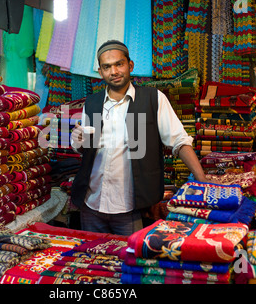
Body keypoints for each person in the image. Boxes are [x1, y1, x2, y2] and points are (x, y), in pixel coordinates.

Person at [70, 40, 209, 236]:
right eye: (107, 67)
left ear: (130, 65)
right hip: (92, 203)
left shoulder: (153, 98)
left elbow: (179, 141)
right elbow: (85, 145)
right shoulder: (92, 103)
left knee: (129, 261)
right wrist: (78, 140)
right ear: (100, 72)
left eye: (119, 64)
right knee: (92, 259)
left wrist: (202, 179)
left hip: (129, 206)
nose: (114, 71)